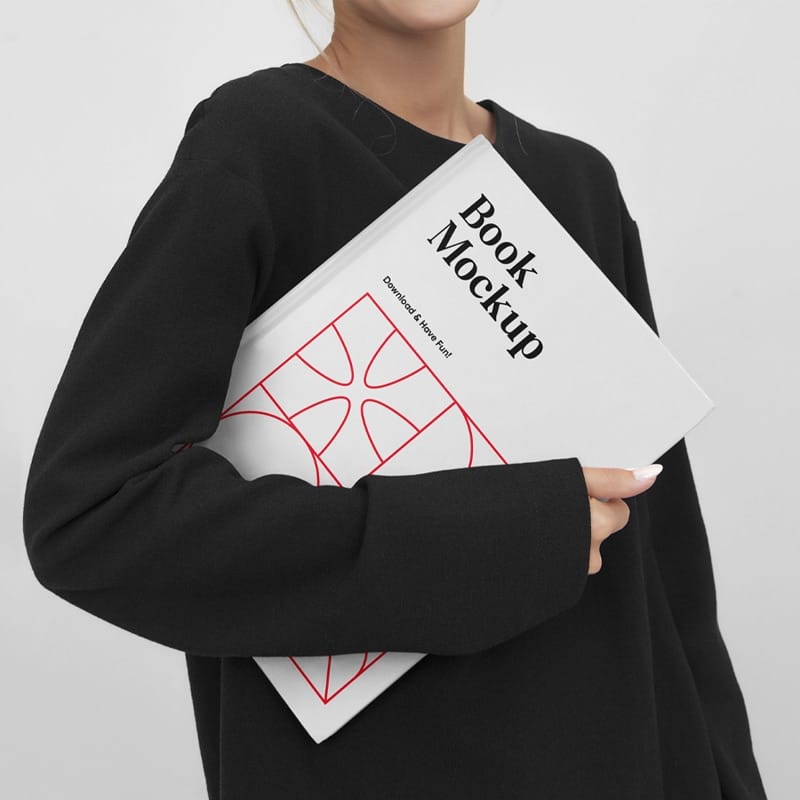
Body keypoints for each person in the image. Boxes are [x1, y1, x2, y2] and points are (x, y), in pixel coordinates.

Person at [22, 1, 768, 798]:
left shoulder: (578, 185)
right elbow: (93, 515)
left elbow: (671, 584)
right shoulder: (261, 143)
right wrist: (496, 538)